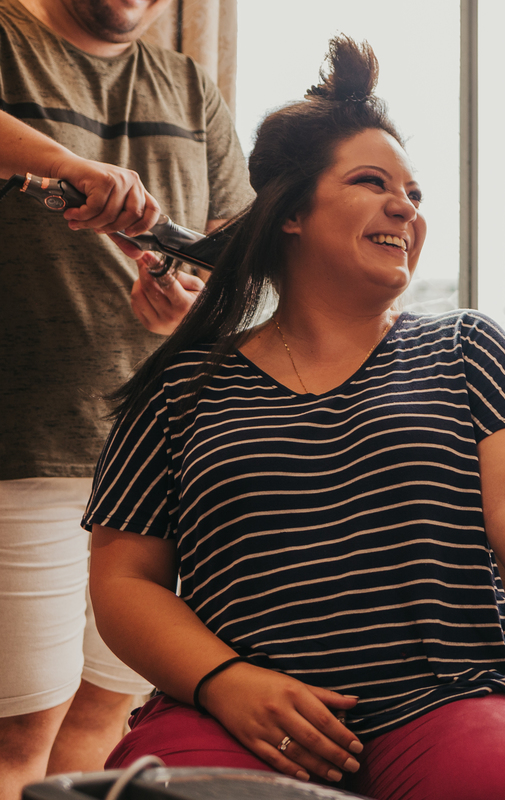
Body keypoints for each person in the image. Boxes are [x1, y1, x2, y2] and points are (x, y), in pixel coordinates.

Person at [82, 36, 505, 800]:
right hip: (230, 712)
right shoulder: (183, 383)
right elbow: (124, 579)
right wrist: (225, 682)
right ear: (291, 213)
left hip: (446, 700)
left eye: (415, 195)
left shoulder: (465, 346)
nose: (404, 208)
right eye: (373, 183)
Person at [0, 0, 253, 793]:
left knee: (108, 719)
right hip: (25, 445)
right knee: (17, 733)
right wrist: (69, 166)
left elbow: (235, 264)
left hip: (153, 468)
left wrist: (196, 310)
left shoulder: (190, 87)